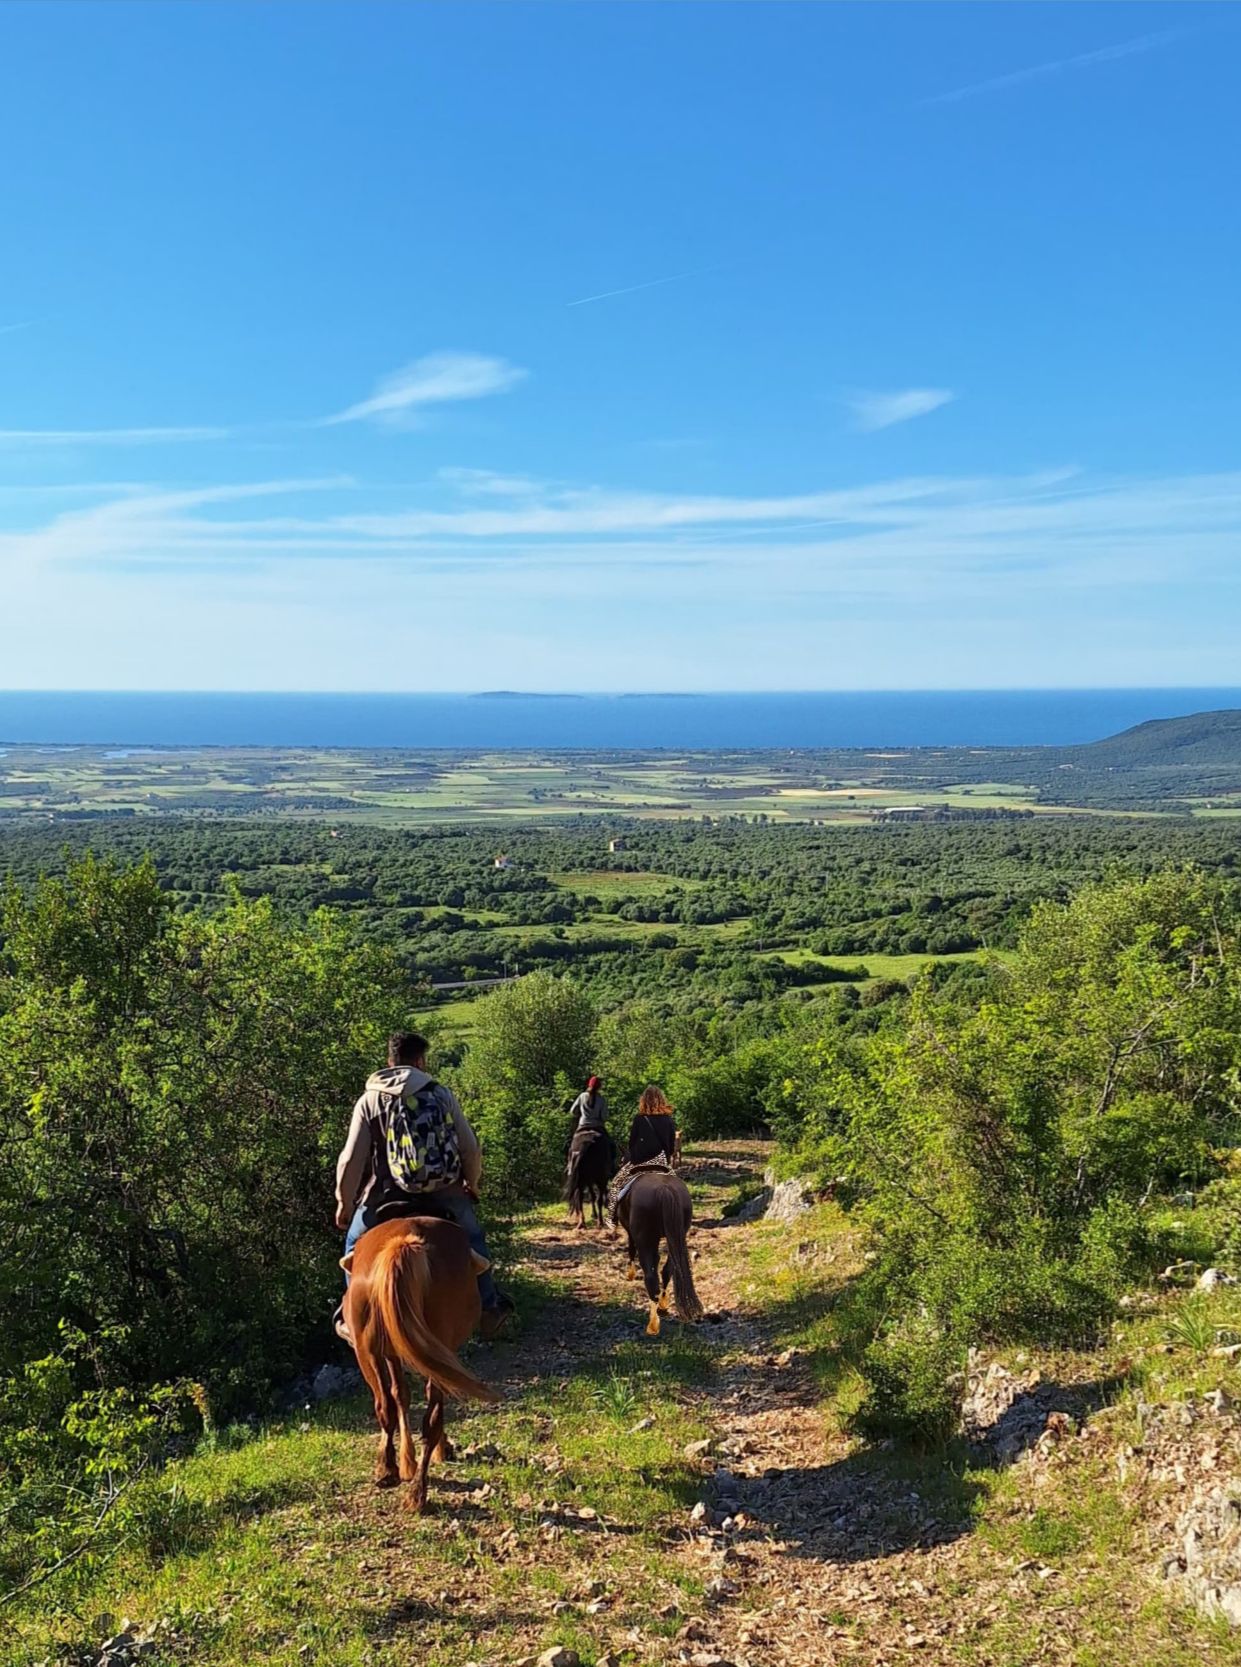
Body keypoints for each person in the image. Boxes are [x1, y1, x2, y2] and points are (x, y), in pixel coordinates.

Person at [333, 1031, 513, 1343]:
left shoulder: (370, 1099)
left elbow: (350, 1160)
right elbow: (471, 1148)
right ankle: (488, 1305)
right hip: (443, 1191)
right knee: (472, 1239)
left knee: (352, 1246)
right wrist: (472, 1183)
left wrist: (344, 1204)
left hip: (384, 1196)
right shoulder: (441, 1093)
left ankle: (351, 1316)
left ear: (390, 1061)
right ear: (421, 1061)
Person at [608, 1084, 679, 1227]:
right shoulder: (669, 1120)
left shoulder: (639, 1119)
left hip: (640, 1163)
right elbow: (671, 1148)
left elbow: (632, 1144)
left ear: (643, 1101)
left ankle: (612, 1217)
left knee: (616, 1184)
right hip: (661, 1163)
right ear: (661, 1100)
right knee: (677, 1191)